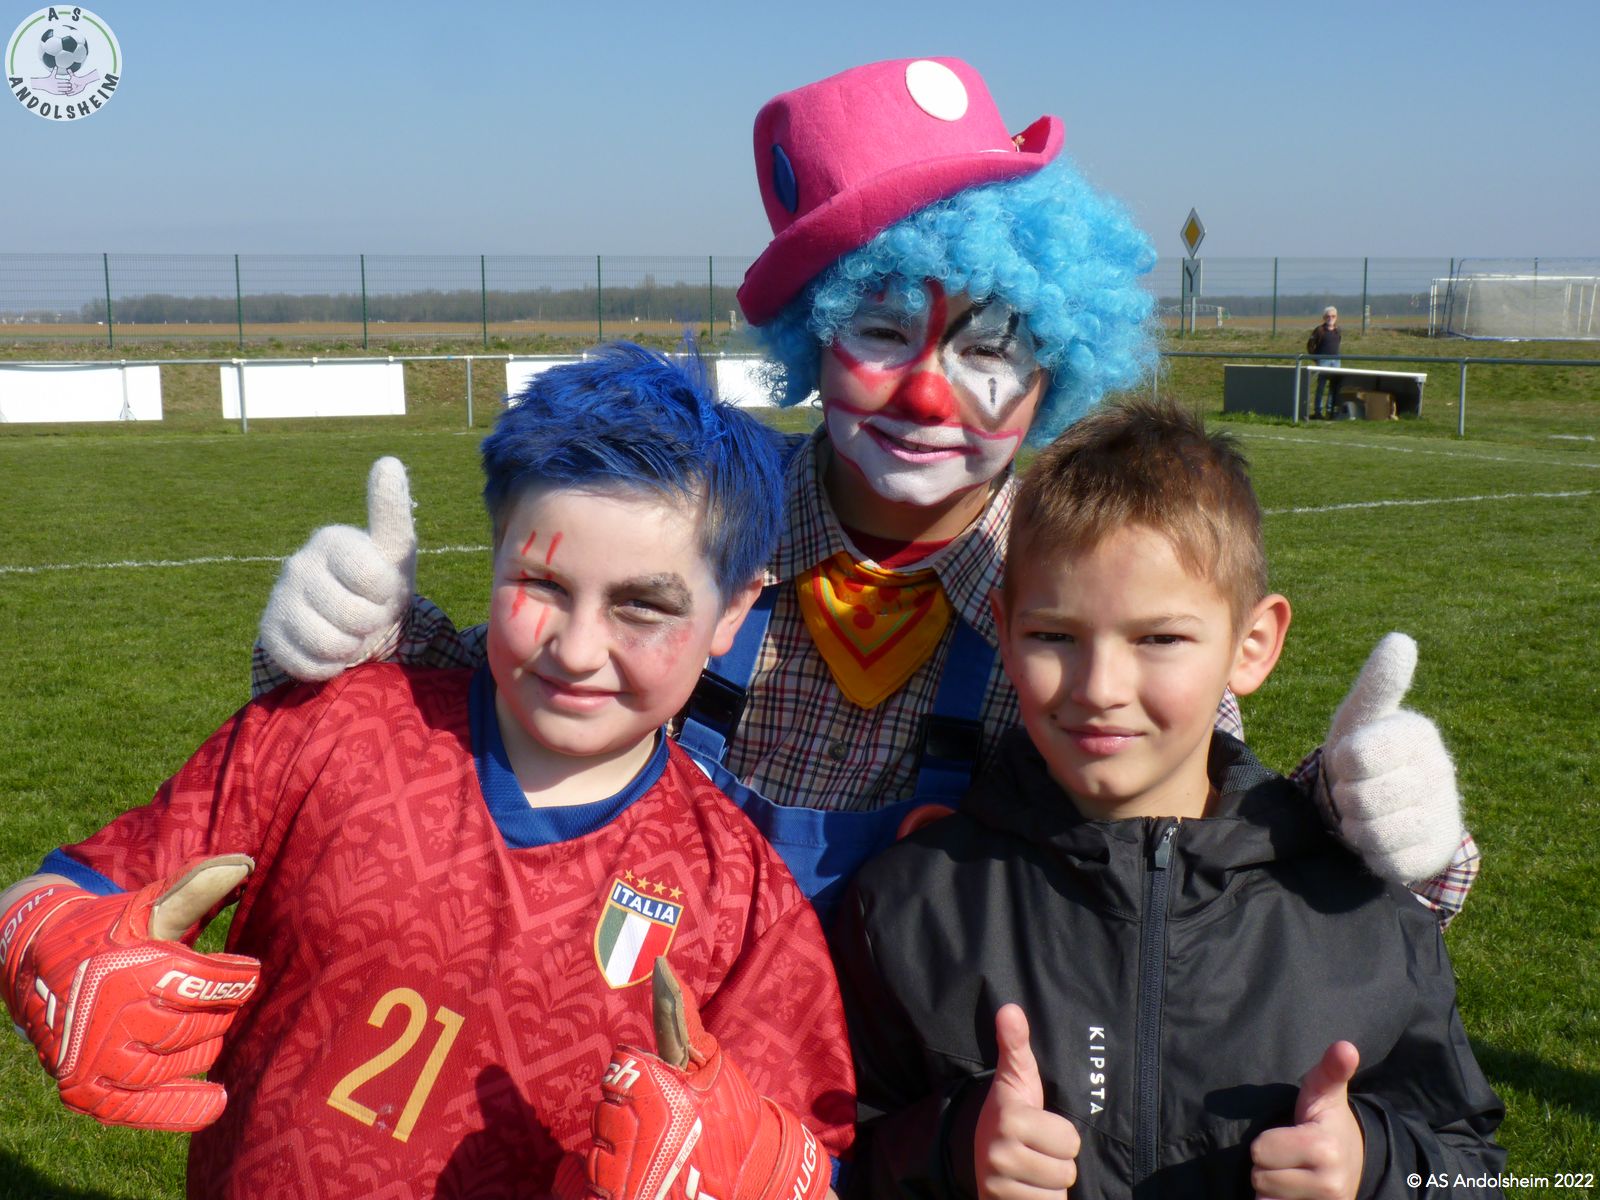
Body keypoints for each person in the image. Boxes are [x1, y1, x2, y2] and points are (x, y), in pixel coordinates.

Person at [253, 57, 1476, 923]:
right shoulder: (701, 531)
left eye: (988, 348)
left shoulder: (1079, 589)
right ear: (814, 339)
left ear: (1052, 370)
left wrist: (1374, 821)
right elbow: (524, 698)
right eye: (883, 331)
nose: (927, 394)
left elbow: (1199, 834)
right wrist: (366, 641)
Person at [0, 346, 855, 1200]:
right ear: (496, 549)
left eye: (643, 604)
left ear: (733, 611)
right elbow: (68, 891)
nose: (577, 648)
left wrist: (755, 1171)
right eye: (542, 584)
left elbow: (809, 1156)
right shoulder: (334, 726)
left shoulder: (742, 901)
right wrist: (48, 942)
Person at [832, 400, 1505, 1199]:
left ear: (1251, 645)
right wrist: (951, 1150)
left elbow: (1472, 1169)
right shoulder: (910, 905)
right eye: (1055, 636)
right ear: (1005, 631)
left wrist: (1374, 1165)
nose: (1099, 688)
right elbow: (838, 1149)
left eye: (1158, 639)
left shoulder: (1365, 916)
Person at [1309, 305, 1343, 418]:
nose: (1330, 318)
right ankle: (1318, 412)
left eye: (1333, 316)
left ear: (1336, 317)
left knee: (1333, 387)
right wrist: (1316, 359)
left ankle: (1330, 411)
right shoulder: (1319, 330)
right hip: (1323, 361)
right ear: (1324, 317)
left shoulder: (1338, 330)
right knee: (1321, 387)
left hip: (1336, 361)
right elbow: (1310, 346)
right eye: (1328, 316)